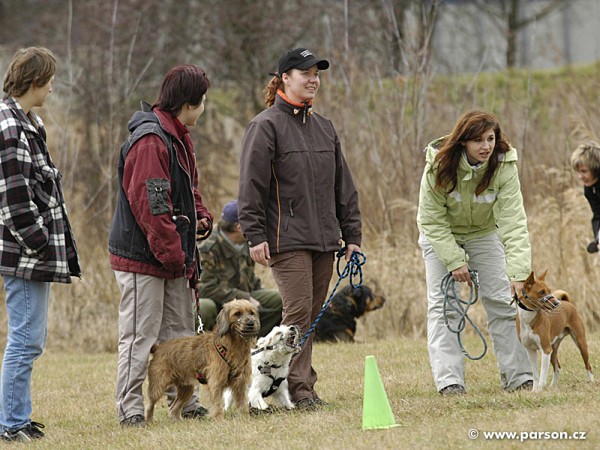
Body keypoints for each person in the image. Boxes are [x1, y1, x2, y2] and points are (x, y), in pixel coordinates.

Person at [237, 47, 362, 410]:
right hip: (285, 239)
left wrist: (352, 236)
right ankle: (292, 389)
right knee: (296, 314)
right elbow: (251, 187)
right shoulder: (264, 126)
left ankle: (294, 387)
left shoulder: (325, 127)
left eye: (317, 74)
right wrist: (254, 234)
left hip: (325, 239)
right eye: (304, 73)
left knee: (310, 314)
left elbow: (344, 187)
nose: (313, 79)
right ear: (284, 79)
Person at [108, 64, 213, 427]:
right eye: (202, 102)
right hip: (143, 257)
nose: (204, 109)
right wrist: (174, 255)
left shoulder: (179, 137)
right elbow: (151, 208)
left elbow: (188, 190)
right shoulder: (151, 140)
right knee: (139, 337)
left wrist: (200, 216)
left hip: (172, 256)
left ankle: (184, 402)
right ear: (189, 102)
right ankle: (131, 410)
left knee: (180, 336)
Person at [417, 110, 534, 395]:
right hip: (441, 236)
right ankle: (450, 381)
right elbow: (430, 220)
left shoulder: (504, 165)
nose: (486, 146)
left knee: (502, 302)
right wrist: (455, 260)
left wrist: (519, 274)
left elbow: (513, 221)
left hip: (484, 233)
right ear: (463, 142)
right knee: (445, 307)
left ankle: (519, 377)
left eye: (491, 139)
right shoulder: (438, 166)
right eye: (478, 140)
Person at [0, 47, 81, 442]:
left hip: (32, 255)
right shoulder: (10, 126)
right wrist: (41, 242)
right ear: (35, 81)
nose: (51, 88)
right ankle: (10, 424)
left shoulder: (28, 122)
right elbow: (13, 200)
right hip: (24, 255)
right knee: (25, 340)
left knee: (30, 339)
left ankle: (17, 418)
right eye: (49, 81)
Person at [197, 199, 282, 337]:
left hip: (243, 302)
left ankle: (253, 338)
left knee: (279, 298)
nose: (258, 226)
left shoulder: (246, 242)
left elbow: (249, 277)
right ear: (239, 227)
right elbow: (206, 288)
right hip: (217, 302)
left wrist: (254, 298)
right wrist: (245, 298)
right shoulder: (207, 248)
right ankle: (210, 342)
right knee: (206, 307)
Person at [570, 141, 600, 253]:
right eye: (578, 172)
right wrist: (598, 238)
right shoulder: (589, 189)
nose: (580, 177)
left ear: (595, 168)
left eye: (584, 171)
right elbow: (598, 215)